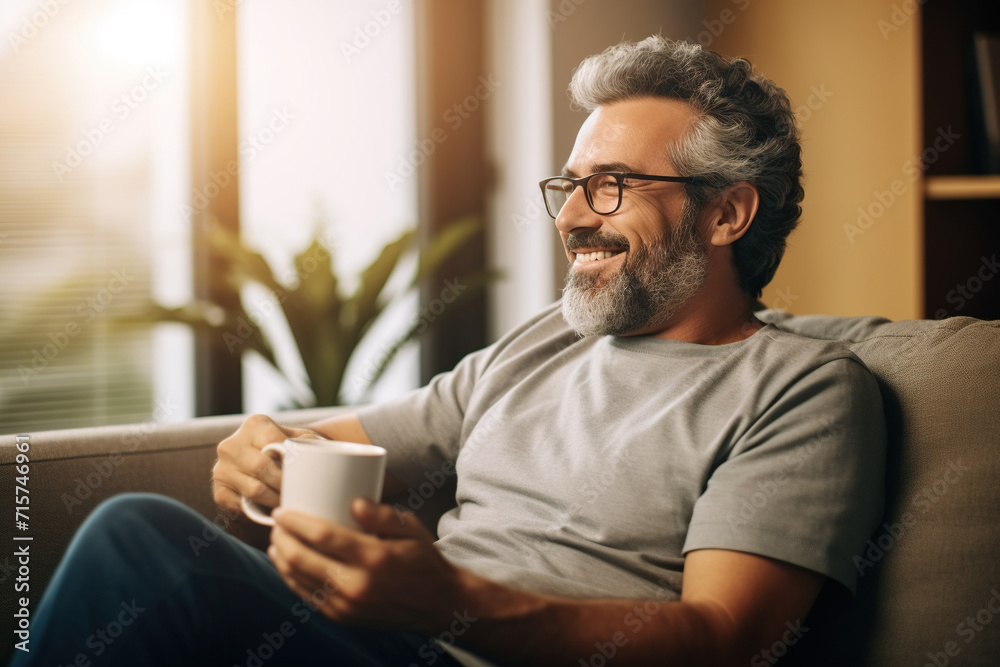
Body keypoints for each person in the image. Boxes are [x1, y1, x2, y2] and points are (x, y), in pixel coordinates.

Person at [11, 36, 885, 667]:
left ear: (728, 213)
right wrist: (264, 458)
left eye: (611, 186)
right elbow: (333, 447)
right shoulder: (550, 339)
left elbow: (725, 641)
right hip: (393, 641)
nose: (574, 215)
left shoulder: (802, 388)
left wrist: (455, 603)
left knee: (137, 539)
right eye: (569, 187)